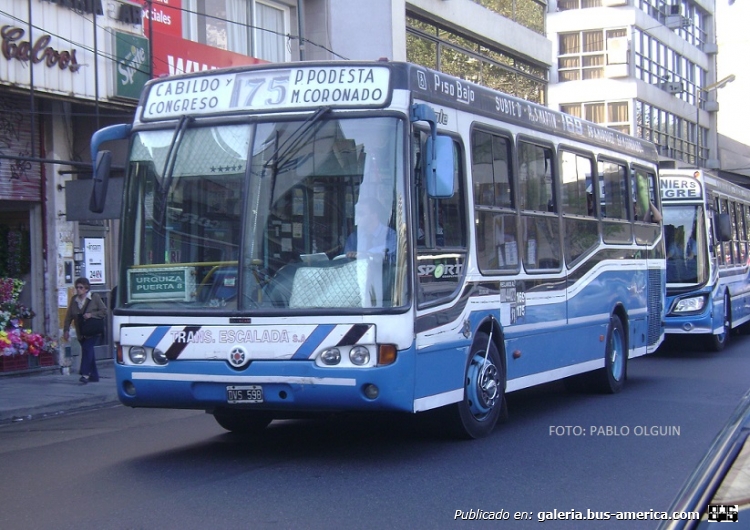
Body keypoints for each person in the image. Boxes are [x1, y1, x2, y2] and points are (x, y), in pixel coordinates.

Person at [63, 277, 107, 383]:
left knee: (87, 349)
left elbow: (103, 311)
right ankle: (95, 376)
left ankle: (85, 373)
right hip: (81, 331)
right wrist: (66, 330)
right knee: (88, 350)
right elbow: (69, 316)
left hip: (93, 330)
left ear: (86, 288)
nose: (78, 289)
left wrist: (91, 315)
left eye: (81, 287)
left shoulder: (94, 297)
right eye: (77, 287)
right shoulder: (74, 300)